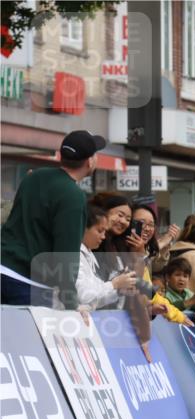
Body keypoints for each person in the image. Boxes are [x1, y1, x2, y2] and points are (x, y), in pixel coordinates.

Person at [1, 130, 105, 309]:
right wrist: (71, 303)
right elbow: (66, 255)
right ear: (90, 161)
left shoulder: (35, 176)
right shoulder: (73, 195)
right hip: (29, 283)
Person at [76, 206, 137, 312]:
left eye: (105, 232)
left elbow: (96, 300)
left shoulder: (89, 255)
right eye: (100, 231)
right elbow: (85, 296)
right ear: (84, 228)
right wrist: (114, 284)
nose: (103, 237)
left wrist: (119, 291)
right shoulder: (74, 255)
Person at [163, 257, 195, 326]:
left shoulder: (188, 293)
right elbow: (169, 308)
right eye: (177, 275)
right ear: (168, 277)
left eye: (185, 276)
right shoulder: (164, 294)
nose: (181, 279)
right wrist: (192, 301)